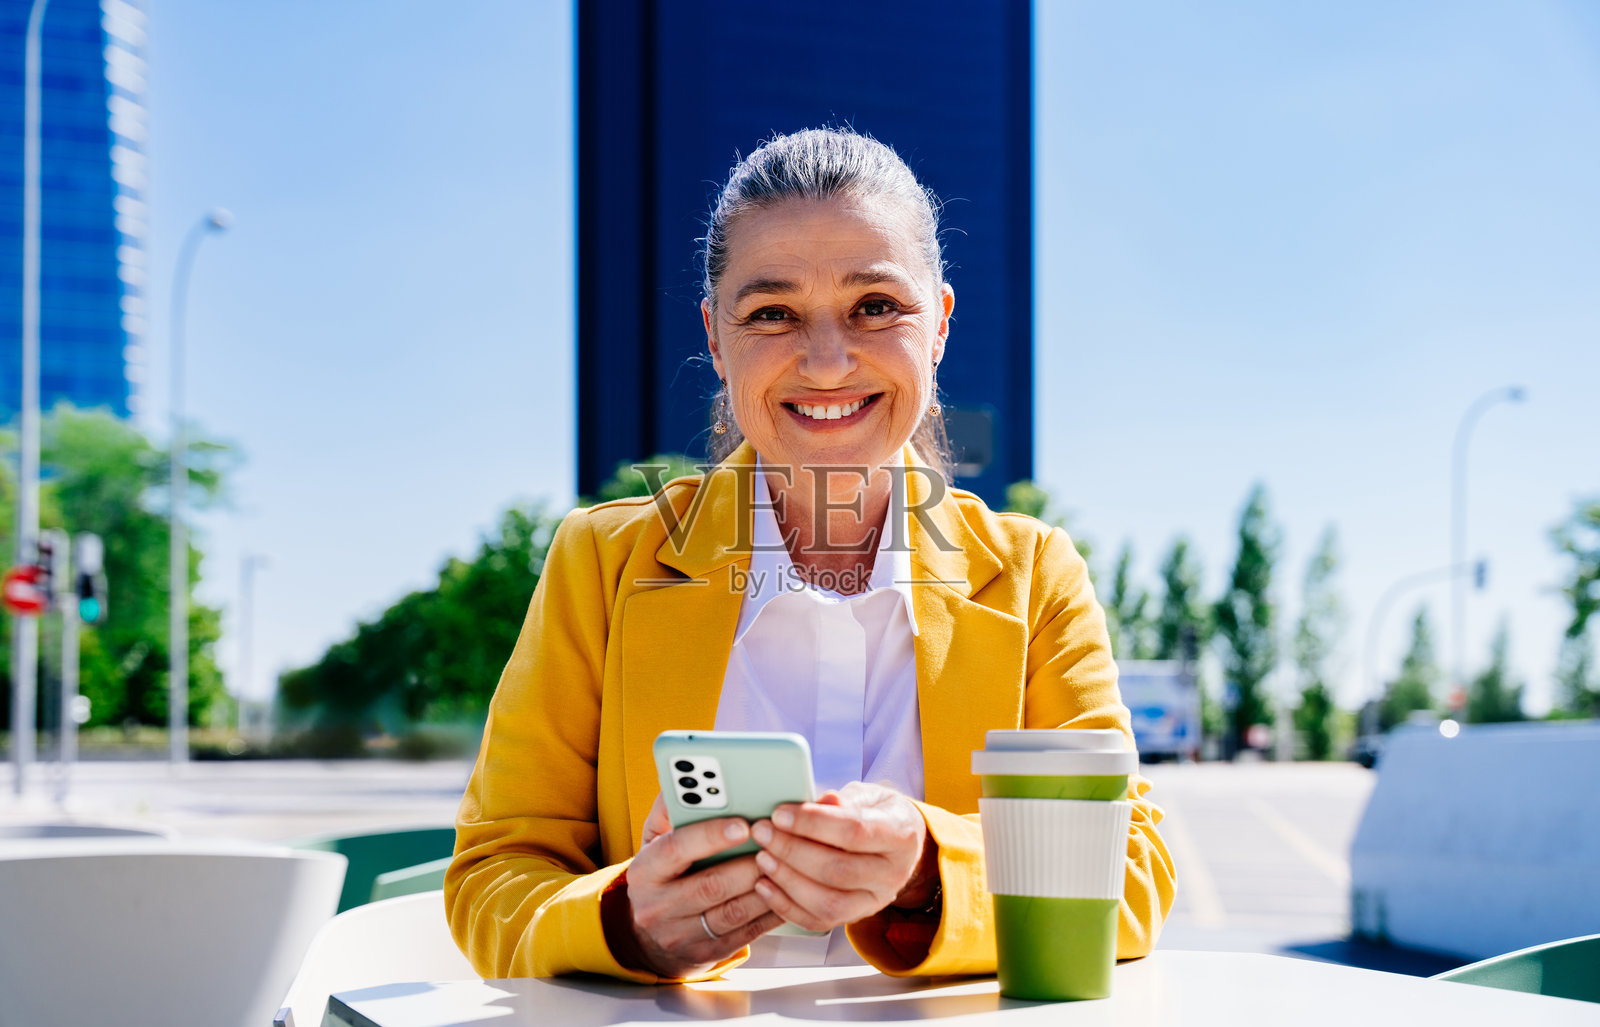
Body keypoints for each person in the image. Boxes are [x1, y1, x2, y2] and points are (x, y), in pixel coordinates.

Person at [445, 127, 1176, 983]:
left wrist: (927, 871)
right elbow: (493, 876)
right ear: (717, 340)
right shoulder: (600, 565)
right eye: (771, 313)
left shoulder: (1031, 576)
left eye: (876, 306)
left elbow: (1130, 874)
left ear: (938, 324)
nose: (827, 362)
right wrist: (625, 921)